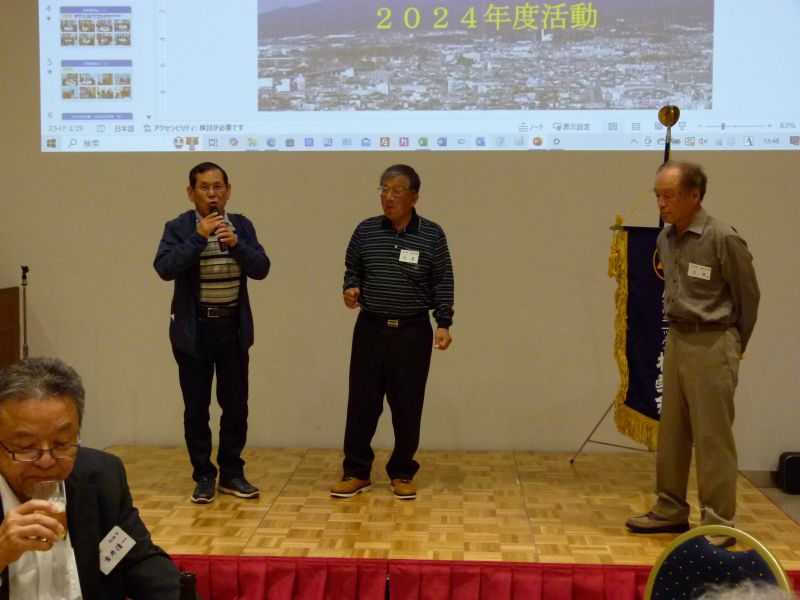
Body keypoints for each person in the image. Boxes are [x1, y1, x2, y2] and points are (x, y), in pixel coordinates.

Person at [625, 161, 760, 547]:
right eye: (658, 196)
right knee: (672, 433)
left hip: (713, 342)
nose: (661, 203)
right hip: (678, 340)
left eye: (668, 196)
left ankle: (718, 522)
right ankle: (670, 509)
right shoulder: (665, 239)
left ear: (694, 196)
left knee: (712, 436)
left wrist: (736, 342)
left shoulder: (722, 238)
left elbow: (748, 296)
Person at [0, 357, 182, 599]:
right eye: (25, 447)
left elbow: (137, 560)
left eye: (62, 443)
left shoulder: (101, 477)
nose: (46, 461)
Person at [331, 164, 455, 500]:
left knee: (407, 405)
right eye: (384, 190)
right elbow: (352, 268)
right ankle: (356, 471)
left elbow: (442, 281)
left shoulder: (431, 234)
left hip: (412, 332)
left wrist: (443, 323)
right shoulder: (366, 230)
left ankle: (402, 472)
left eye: (396, 191)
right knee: (362, 403)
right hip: (370, 329)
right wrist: (350, 288)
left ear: (414, 197)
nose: (388, 197)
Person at [154, 162, 270, 504]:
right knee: (196, 409)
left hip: (232, 329)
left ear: (228, 191)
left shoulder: (242, 226)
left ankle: (232, 472)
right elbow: (165, 267)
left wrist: (237, 245)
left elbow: (262, 268)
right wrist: (199, 236)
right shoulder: (178, 227)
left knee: (235, 406)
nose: (212, 194)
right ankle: (204, 475)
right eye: (204, 188)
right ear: (191, 193)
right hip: (194, 332)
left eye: (218, 187)